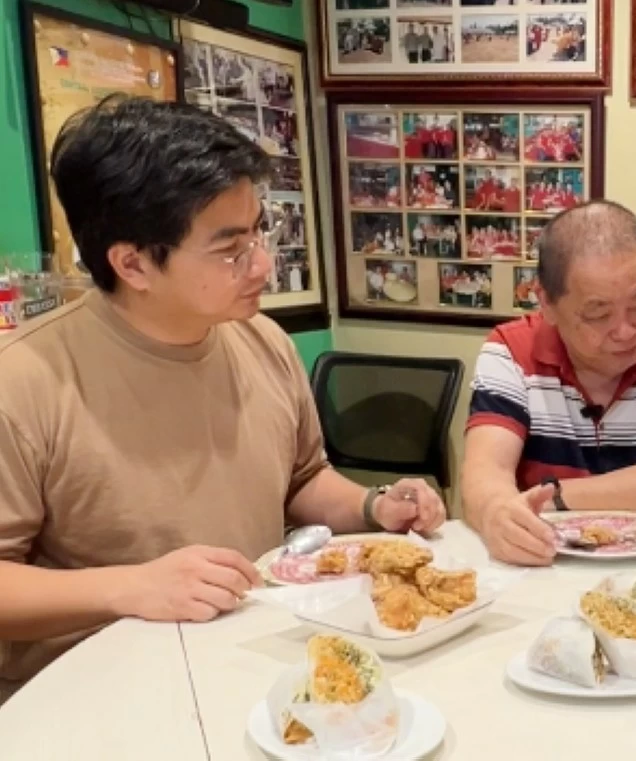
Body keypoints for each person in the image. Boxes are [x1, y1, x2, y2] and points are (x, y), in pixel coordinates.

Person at [0, 95, 445, 698]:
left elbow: (300, 478)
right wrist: (130, 586)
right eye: (230, 248)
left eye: (261, 231)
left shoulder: (261, 340)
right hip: (98, 698)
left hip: (253, 665)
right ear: (132, 264)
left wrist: (374, 507)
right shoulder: (24, 380)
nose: (262, 264)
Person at [462, 201, 636, 566]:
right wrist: (496, 513)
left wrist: (554, 495)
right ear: (547, 304)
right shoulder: (510, 349)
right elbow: (485, 471)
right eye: (599, 313)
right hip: (545, 562)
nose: (626, 331)